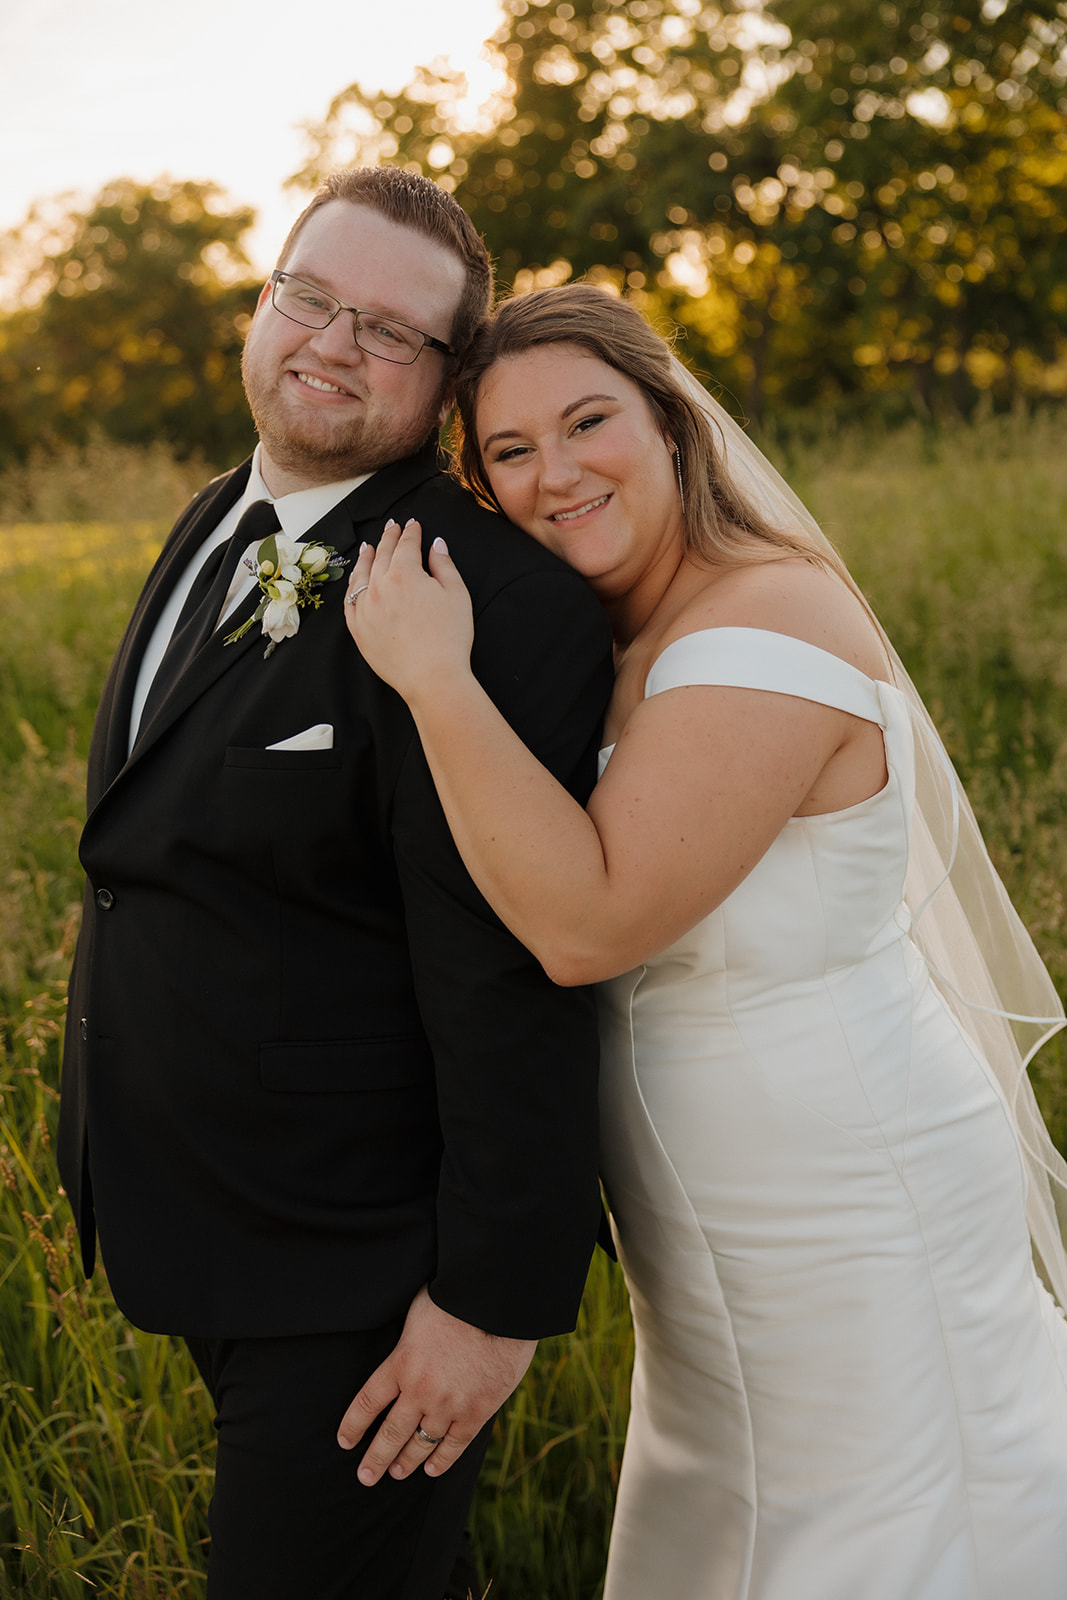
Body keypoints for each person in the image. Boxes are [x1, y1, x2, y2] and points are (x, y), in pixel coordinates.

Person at [344, 282, 1067, 1600]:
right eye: (510, 452)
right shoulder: (624, 635)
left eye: (588, 422)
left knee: (892, 1528)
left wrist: (433, 679)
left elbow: (590, 923)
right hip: (711, 1224)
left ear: (672, 425)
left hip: (848, 1196)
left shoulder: (767, 619)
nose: (556, 474)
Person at [57, 175, 614, 1600]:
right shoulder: (215, 516)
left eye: (389, 328)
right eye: (310, 297)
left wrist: (488, 1309)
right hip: (198, 1223)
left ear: (445, 379)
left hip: (364, 1289)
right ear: (265, 299)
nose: (331, 342)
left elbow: (523, 968)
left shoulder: (496, 603)